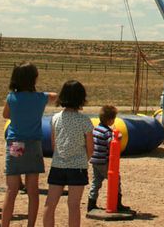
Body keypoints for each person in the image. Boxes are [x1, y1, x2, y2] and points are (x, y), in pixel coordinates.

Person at [1, 62, 58, 227]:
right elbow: (55, 96)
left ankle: (4, 224)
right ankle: (30, 224)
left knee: (11, 190)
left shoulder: (11, 97)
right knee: (33, 190)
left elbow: (6, 115)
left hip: (15, 143)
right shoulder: (40, 97)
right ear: (34, 79)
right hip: (33, 144)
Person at [43, 80, 94, 227]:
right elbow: (90, 147)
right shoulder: (84, 120)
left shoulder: (55, 118)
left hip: (58, 165)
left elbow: (54, 144)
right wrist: (86, 159)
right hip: (78, 167)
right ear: (81, 98)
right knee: (73, 206)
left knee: (50, 204)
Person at [87, 105, 133, 214]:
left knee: (96, 182)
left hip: (95, 161)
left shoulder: (96, 129)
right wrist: (118, 138)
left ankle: (91, 204)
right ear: (110, 120)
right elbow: (112, 145)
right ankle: (117, 203)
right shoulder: (107, 132)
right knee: (115, 180)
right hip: (104, 162)